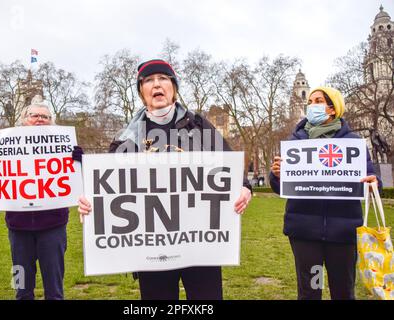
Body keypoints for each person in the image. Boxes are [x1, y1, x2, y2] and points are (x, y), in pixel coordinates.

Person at [78, 59, 253, 300]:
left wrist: (245, 187)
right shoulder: (126, 139)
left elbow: (229, 165)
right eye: (149, 80)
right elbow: (108, 187)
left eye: (163, 78)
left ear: (173, 87)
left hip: (199, 243)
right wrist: (91, 203)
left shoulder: (199, 126)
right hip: (151, 249)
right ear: (142, 92)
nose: (156, 84)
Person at [269, 86, 382, 300]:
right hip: (305, 235)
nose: (312, 105)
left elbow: (372, 179)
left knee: (343, 291)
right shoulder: (296, 142)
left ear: (332, 108)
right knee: (311, 291)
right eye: (310, 101)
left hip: (343, 234)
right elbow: (280, 187)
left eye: (318, 100)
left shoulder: (354, 143)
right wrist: (276, 175)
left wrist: (373, 182)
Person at [0, 96, 84, 300]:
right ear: (23, 119)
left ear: (51, 120)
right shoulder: (4, 146)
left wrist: (81, 164)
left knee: (54, 289)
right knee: (21, 288)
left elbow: (79, 184)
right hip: (18, 229)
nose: (39, 119)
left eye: (45, 116)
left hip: (53, 227)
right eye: (34, 115)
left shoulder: (66, 147)